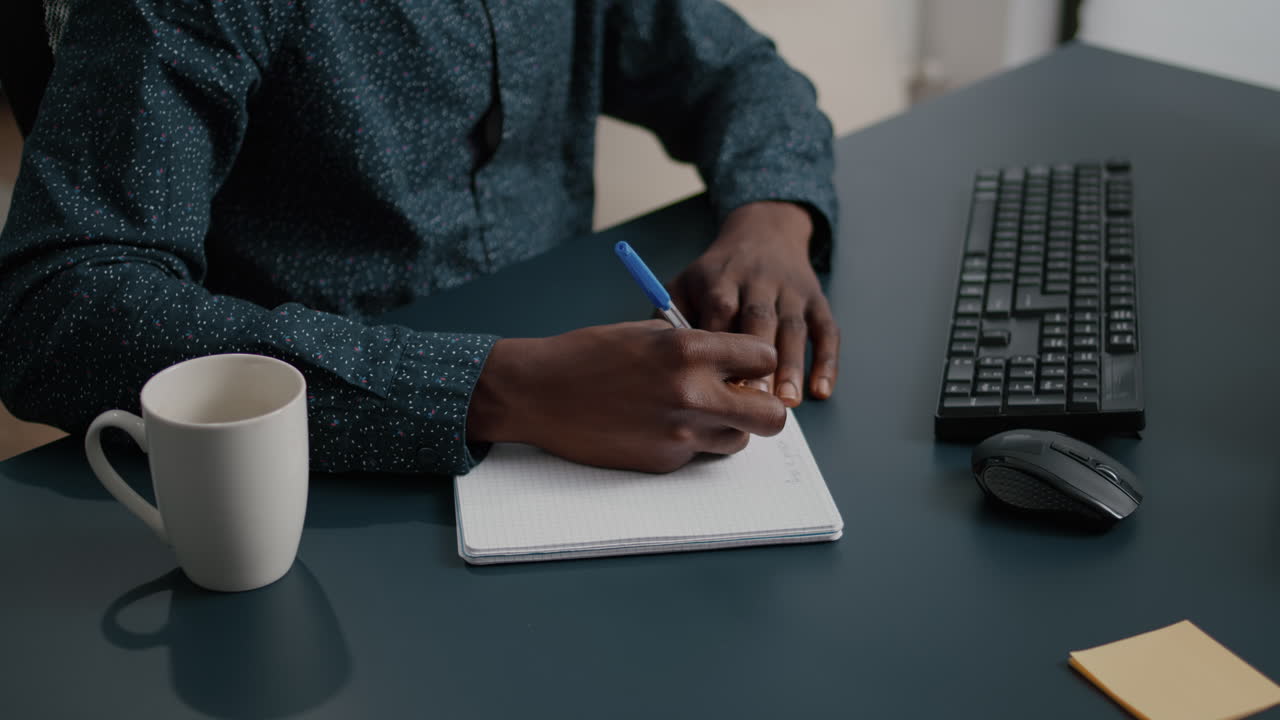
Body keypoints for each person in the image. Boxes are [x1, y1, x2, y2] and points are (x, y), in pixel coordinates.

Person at [0, 0, 839, 475]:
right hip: (313, 481)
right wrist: (500, 389)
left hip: (603, 407)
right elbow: (60, 309)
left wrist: (772, 214)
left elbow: (738, 72)